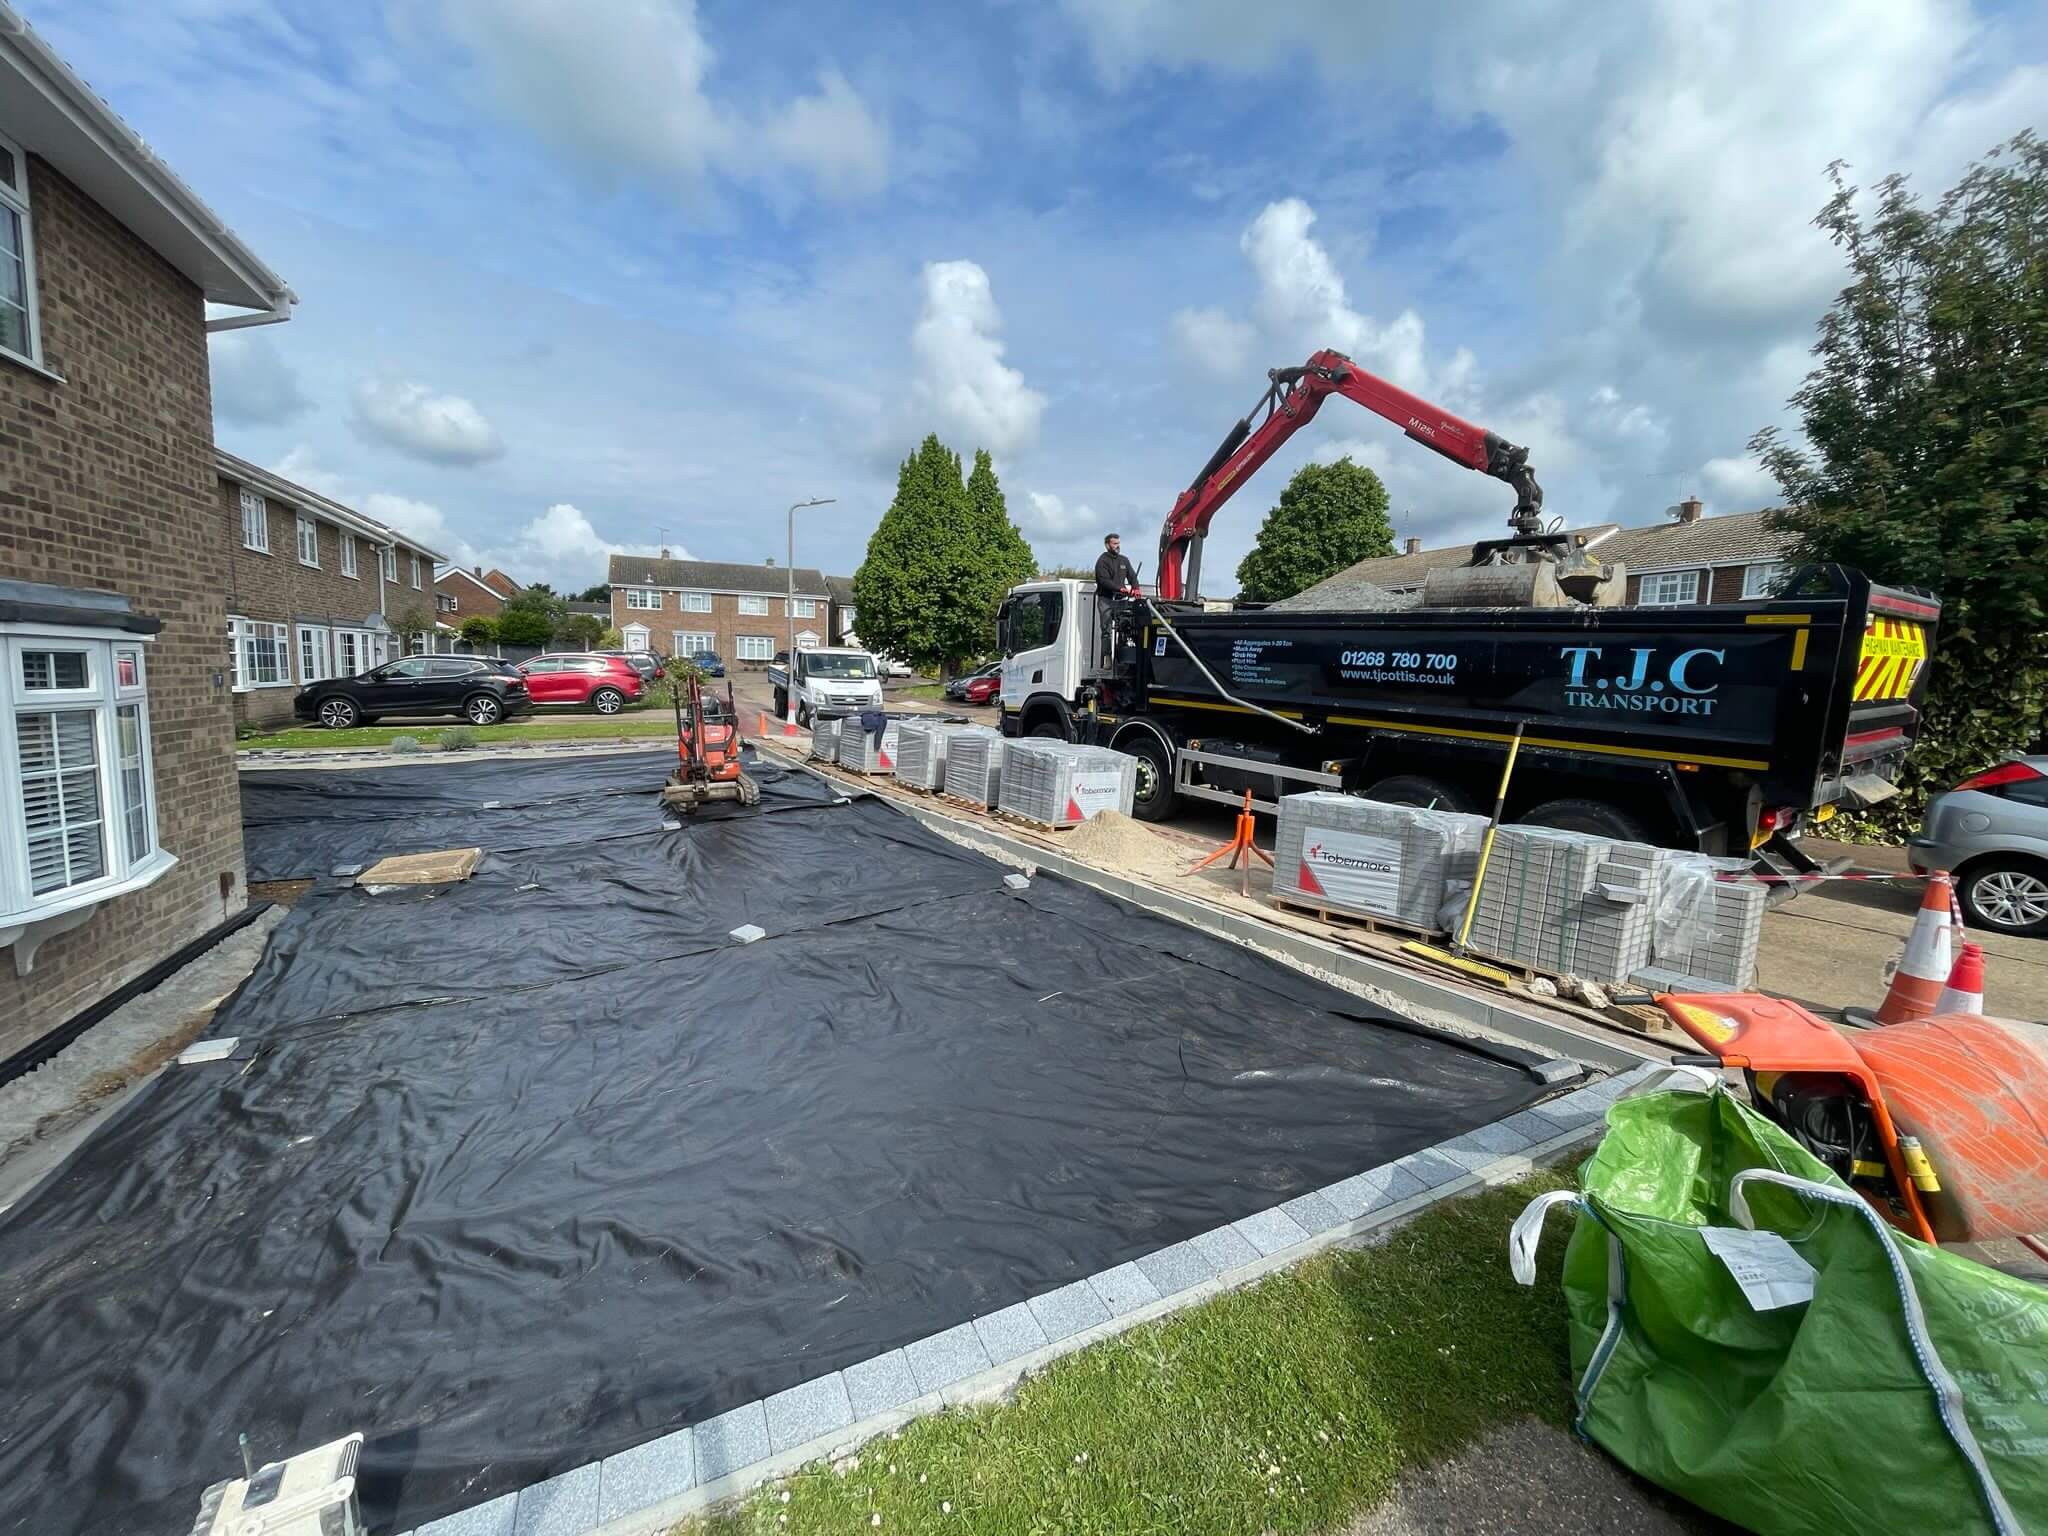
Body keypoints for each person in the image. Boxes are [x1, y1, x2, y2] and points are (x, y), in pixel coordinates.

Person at [1094, 533, 1140, 599]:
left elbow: (1132, 576)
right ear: (1107, 545)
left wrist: (1136, 588)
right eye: (1115, 544)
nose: (1118, 546)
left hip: (1122, 598)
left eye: (1118, 543)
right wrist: (1119, 589)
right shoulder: (1102, 561)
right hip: (1106, 599)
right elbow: (1104, 581)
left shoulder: (1124, 560)